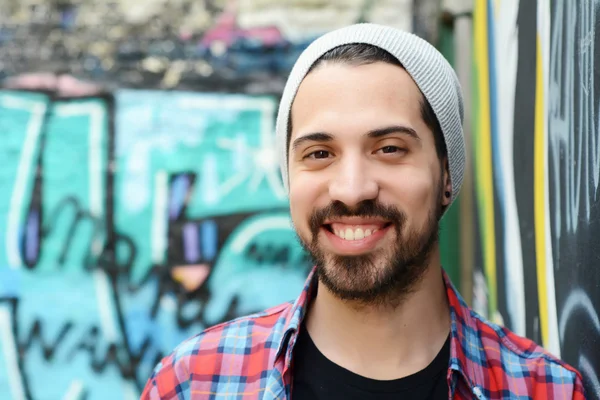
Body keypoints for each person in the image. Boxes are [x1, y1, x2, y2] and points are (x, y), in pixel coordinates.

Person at [141, 23, 585, 400]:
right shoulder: (195, 382)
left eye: (389, 148)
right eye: (319, 153)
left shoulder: (544, 389)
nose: (352, 190)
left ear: (447, 173)